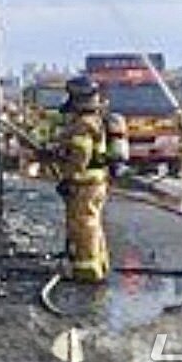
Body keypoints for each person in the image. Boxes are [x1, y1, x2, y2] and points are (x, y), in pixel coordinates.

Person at [51, 75, 111, 283]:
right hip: (95, 181)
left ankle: (87, 269)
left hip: (84, 181)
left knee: (84, 223)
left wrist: (69, 177)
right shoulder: (95, 120)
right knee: (92, 221)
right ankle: (97, 263)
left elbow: (80, 155)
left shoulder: (83, 125)